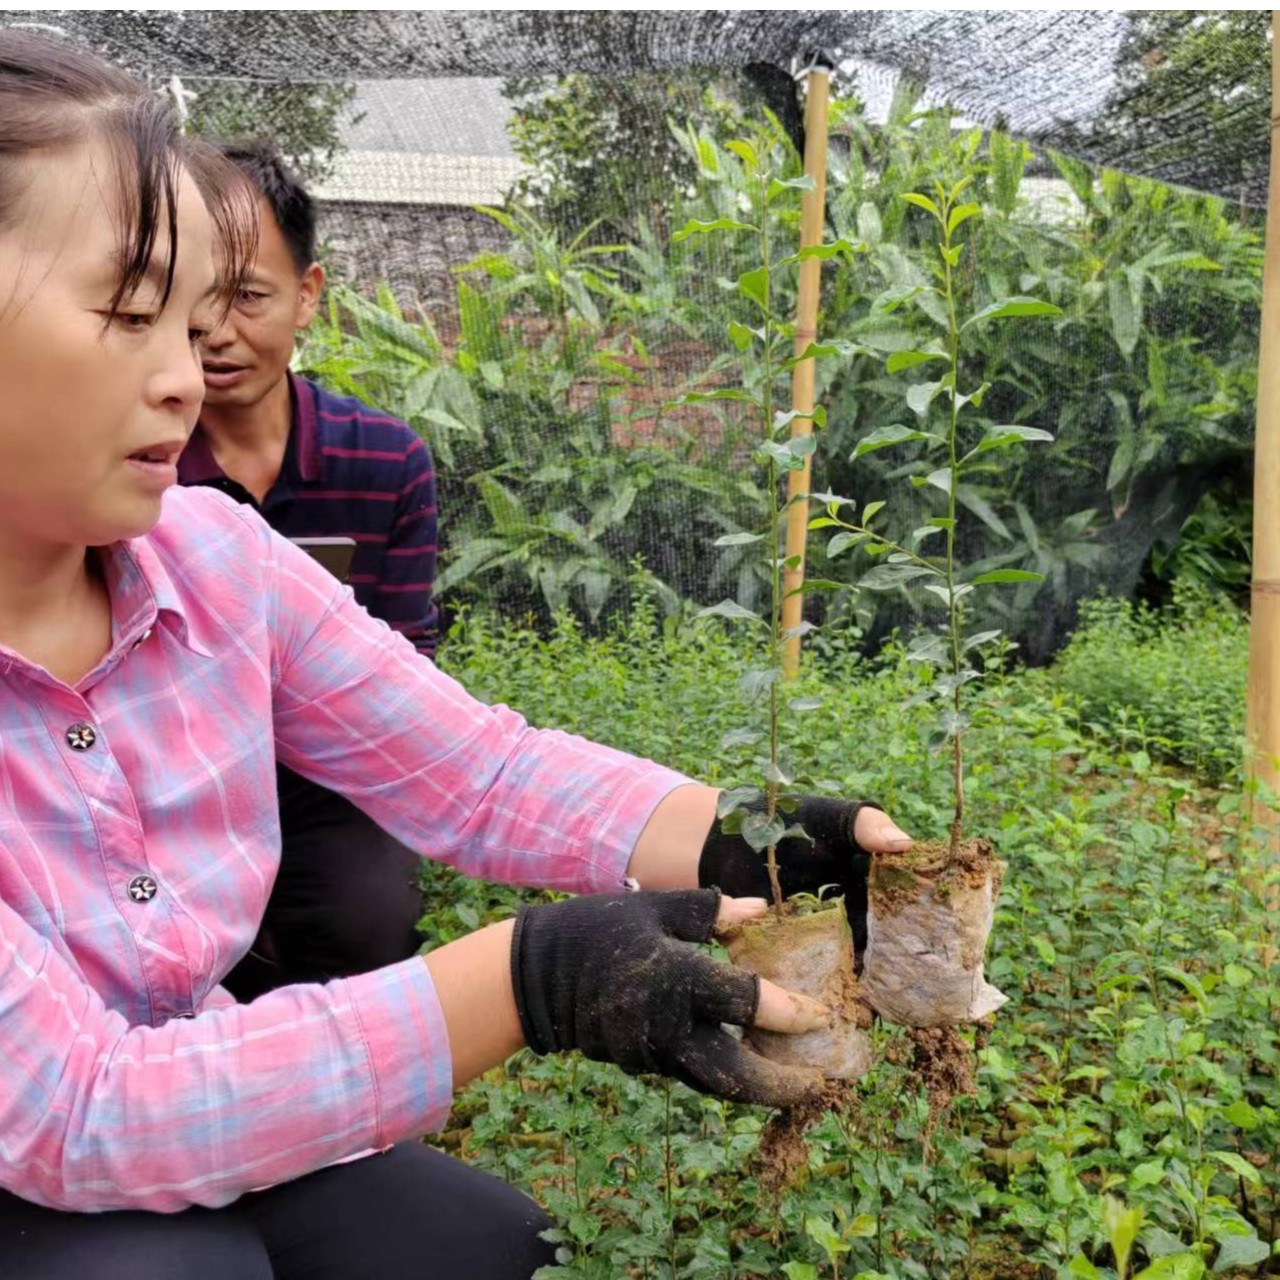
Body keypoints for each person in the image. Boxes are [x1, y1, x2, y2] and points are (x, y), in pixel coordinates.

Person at [0, 30, 913, 1280]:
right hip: (43, 1140)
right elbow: (79, 1109)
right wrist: (528, 978)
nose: (182, 379)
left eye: (193, 317)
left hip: (195, 1065)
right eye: (125, 309)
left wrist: (743, 835)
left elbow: (472, 769)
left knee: (487, 1248)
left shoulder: (211, 560)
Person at [178, 141, 440, 1001]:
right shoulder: (135, 465)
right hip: (171, 777)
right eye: (191, 297)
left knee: (369, 923)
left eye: (248, 296)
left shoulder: (385, 461)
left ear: (308, 295)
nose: (217, 332)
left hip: (331, 776)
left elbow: (406, 666)